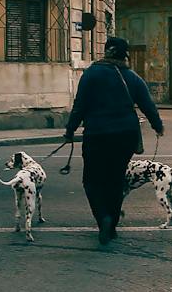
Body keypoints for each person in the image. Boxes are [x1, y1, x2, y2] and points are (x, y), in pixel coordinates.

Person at [63, 35, 163, 243]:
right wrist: (157, 126)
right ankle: (113, 223)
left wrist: (70, 131)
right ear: (124, 55)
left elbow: (79, 106)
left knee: (92, 180)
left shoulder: (91, 74)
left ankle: (104, 219)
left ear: (106, 51)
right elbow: (147, 105)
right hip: (125, 136)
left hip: (97, 135)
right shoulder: (132, 77)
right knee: (115, 180)